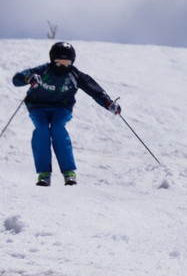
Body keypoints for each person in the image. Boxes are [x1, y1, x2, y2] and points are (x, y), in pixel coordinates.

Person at [12, 42, 121, 186]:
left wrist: (108, 103)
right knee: (42, 129)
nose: (63, 66)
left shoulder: (74, 75)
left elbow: (94, 90)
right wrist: (29, 79)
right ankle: (44, 174)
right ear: (52, 60)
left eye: (66, 62)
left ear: (72, 62)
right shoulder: (43, 71)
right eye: (59, 62)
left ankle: (69, 172)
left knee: (57, 128)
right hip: (38, 107)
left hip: (61, 108)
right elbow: (17, 79)